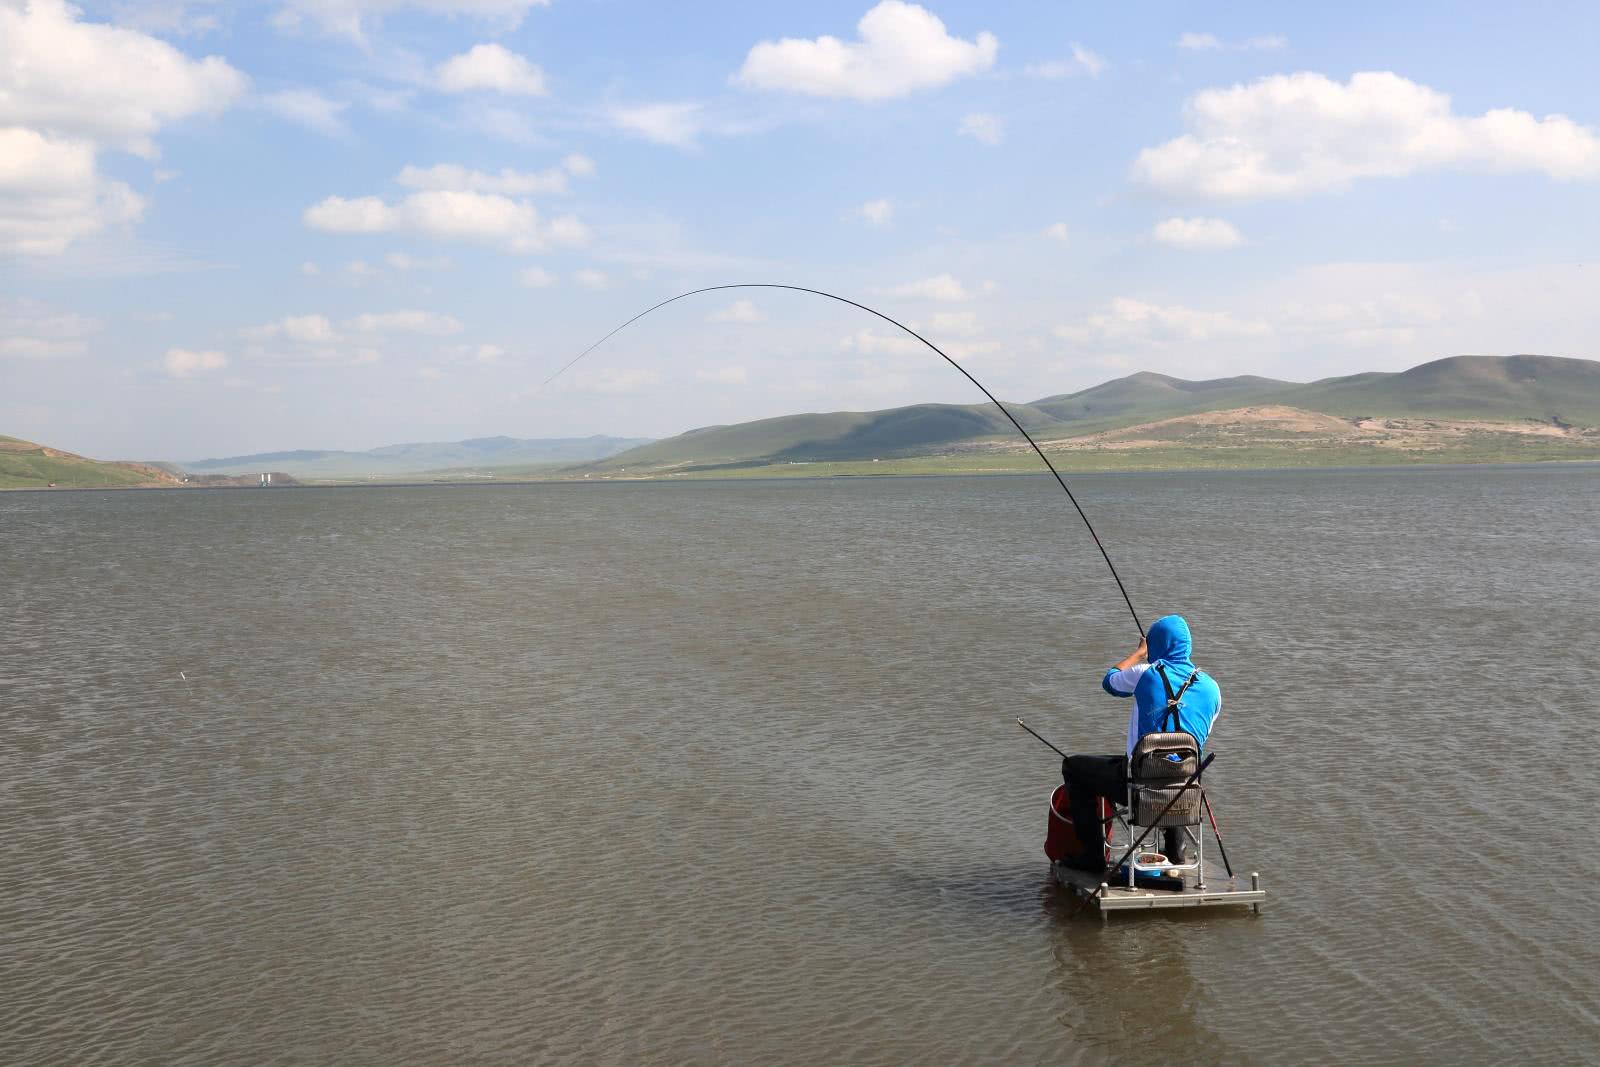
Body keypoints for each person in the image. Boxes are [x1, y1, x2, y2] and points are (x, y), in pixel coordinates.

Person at [1059, 614, 1222, 872]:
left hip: (1137, 791)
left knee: (1073, 767)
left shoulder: (1144, 673)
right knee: (1176, 763)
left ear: (1156, 643)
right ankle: (1175, 853)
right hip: (1185, 794)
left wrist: (1139, 653)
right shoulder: (1213, 689)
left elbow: (1110, 681)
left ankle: (1092, 858)